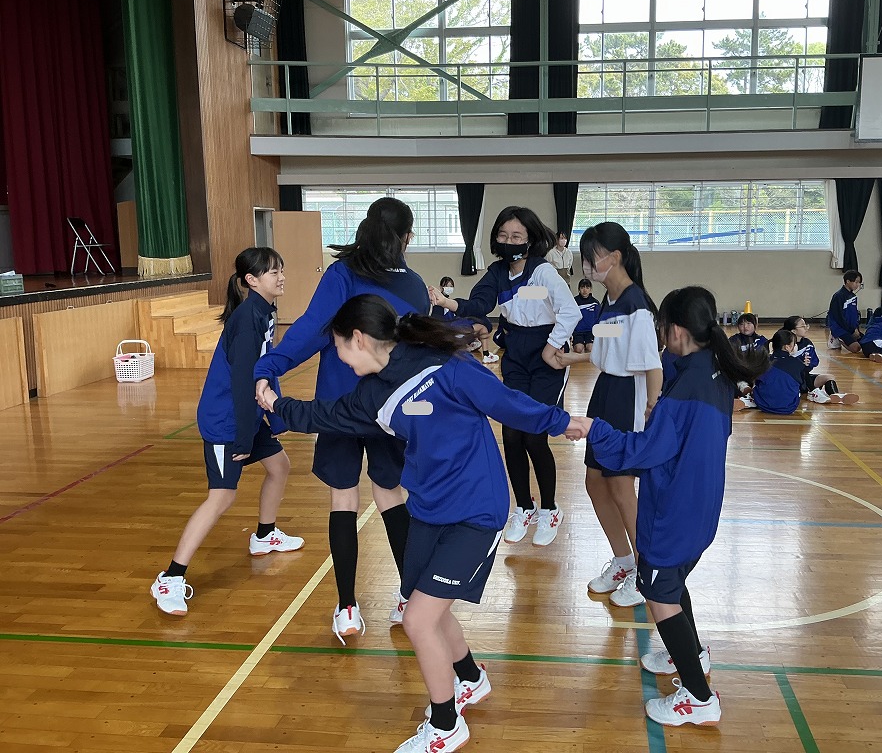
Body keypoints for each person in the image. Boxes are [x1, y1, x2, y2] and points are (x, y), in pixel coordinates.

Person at [258, 294, 587, 753]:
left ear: (359, 339)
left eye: (340, 348)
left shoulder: (444, 364)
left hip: (477, 510)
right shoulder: (372, 395)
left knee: (417, 620)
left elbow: (505, 402)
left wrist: (562, 421)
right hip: (429, 509)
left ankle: (446, 725)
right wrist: (277, 403)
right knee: (425, 607)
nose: (340, 359)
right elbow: (324, 416)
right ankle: (470, 678)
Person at [575, 286, 769, 728]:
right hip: (701, 505)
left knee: (659, 593)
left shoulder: (685, 391)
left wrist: (594, 430)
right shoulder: (713, 371)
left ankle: (700, 699)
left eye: (663, 327)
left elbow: (643, 452)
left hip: (674, 513)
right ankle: (692, 654)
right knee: (673, 583)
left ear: (677, 331)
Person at [254, 196, 430, 643]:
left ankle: (348, 607)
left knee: (343, 499)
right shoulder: (413, 285)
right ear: (406, 238)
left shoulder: (343, 273)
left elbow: (311, 329)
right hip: (388, 408)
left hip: (338, 409)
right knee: (390, 494)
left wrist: (269, 366)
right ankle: (409, 597)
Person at [151, 248, 301, 616]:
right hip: (227, 420)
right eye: (273, 272)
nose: (281, 276)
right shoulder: (248, 319)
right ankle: (170, 577)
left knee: (279, 467)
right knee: (221, 497)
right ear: (252, 280)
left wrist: (276, 418)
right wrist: (245, 436)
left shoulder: (264, 311)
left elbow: (266, 368)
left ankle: (264, 535)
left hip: (246, 414)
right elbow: (241, 383)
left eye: (281, 269)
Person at [427, 206, 581, 547]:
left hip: (546, 357)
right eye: (503, 235)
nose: (509, 242)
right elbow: (480, 302)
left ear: (530, 240)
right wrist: (449, 304)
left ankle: (550, 509)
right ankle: (524, 507)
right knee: (511, 435)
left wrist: (551, 346)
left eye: (516, 236)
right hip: (516, 356)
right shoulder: (497, 272)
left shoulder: (543, 272)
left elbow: (570, 312)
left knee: (534, 436)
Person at [556, 222, 663, 608]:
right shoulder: (609, 303)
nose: (587, 265)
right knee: (595, 482)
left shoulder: (636, 304)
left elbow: (652, 364)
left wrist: (651, 406)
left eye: (592, 257)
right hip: (604, 392)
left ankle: (647, 571)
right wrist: (570, 358)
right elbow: (605, 352)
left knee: (620, 486)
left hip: (629, 395)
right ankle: (623, 561)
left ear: (614, 257)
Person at [781, 316, 858, 404]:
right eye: (802, 326)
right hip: (790, 381)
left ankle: (835, 396)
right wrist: (799, 364)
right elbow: (781, 364)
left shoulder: (807, 343)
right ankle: (813, 393)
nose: (806, 328)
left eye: (806, 325)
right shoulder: (785, 345)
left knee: (829, 377)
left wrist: (808, 364)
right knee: (802, 370)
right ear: (794, 331)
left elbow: (815, 361)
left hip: (805, 380)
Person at [431, 276, 498, 364]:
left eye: (451, 286)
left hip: (453, 327)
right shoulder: (439, 304)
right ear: (441, 287)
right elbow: (438, 322)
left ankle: (475, 346)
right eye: (447, 286)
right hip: (450, 330)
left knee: (480, 327)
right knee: (482, 328)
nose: (449, 288)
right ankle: (485, 354)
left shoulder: (449, 302)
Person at [750, 330, 810, 415]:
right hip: (789, 407)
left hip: (762, 404)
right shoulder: (798, 363)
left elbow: (756, 381)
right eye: (794, 344)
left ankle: (748, 399)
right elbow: (803, 387)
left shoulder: (763, 361)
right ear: (787, 347)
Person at [826, 270, 863, 353]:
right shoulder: (838, 296)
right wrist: (851, 331)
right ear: (848, 281)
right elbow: (838, 317)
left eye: (859, 283)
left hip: (851, 328)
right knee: (856, 348)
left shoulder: (853, 296)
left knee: (866, 343)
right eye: (856, 282)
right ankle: (836, 337)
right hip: (840, 328)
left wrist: (856, 329)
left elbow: (854, 315)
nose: (858, 285)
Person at [572, 278, 600, 353]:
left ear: (590, 289)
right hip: (578, 332)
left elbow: (598, 319)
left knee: (591, 348)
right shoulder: (574, 302)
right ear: (579, 289)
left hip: (590, 332)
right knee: (578, 349)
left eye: (587, 288)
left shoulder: (595, 303)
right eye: (582, 287)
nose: (585, 290)